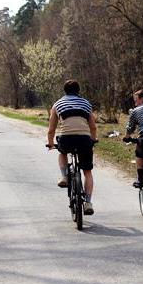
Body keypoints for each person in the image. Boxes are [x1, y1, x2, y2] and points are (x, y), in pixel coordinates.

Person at [47, 80, 98, 215]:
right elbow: (93, 126)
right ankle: (88, 202)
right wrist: (93, 139)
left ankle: (64, 177)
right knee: (87, 172)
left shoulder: (58, 104)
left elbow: (51, 129)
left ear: (65, 91)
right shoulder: (86, 104)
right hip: (84, 139)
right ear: (78, 90)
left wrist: (50, 143)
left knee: (62, 152)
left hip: (66, 139)